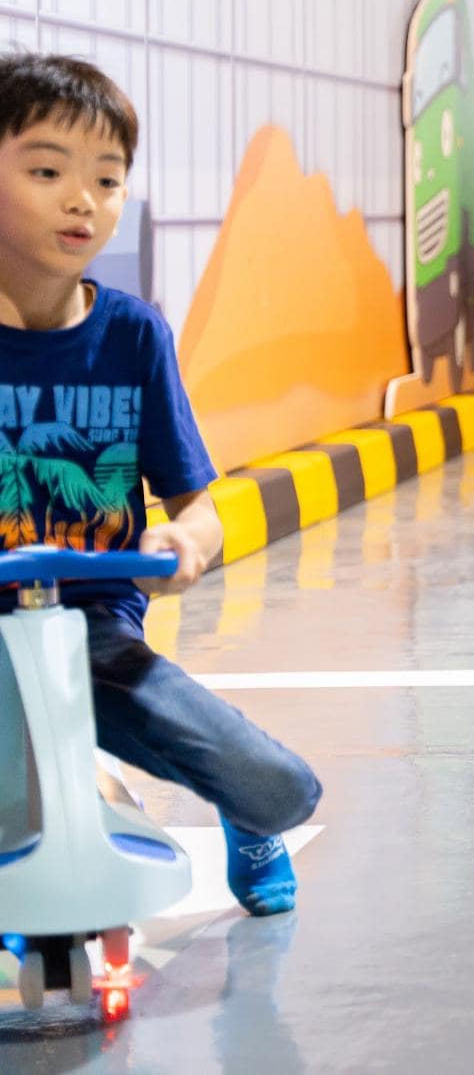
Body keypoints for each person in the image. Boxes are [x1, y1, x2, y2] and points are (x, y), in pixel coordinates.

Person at [0, 53, 321, 915]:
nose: (82, 200)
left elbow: (196, 505)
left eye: (107, 179)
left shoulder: (133, 336)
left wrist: (185, 541)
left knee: (280, 788)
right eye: (47, 172)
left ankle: (242, 819)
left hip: (93, 634)